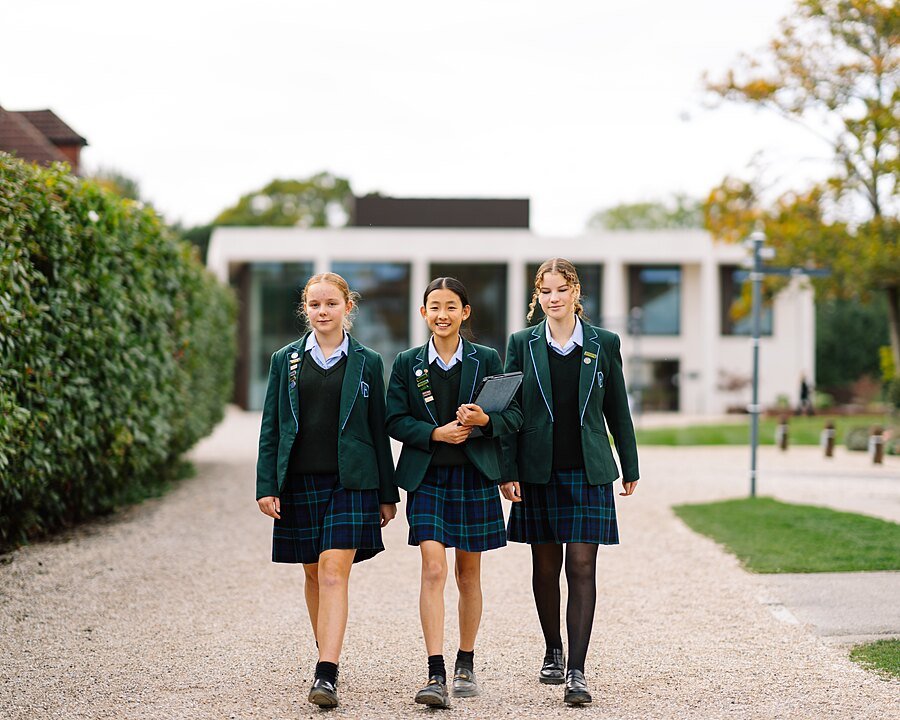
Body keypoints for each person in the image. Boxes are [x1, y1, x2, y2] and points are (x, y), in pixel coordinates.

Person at [255, 272, 398, 709]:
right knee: (313, 573)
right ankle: (327, 653)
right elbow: (272, 426)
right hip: (297, 482)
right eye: (315, 304)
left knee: (334, 569)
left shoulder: (368, 360)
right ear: (306, 308)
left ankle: (326, 674)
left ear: (347, 307)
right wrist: (267, 484)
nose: (322, 311)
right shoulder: (286, 360)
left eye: (331, 304)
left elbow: (378, 427)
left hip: (350, 482)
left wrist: (386, 493)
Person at [500, 258, 639, 706]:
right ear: (536, 296)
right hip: (537, 470)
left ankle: (577, 671)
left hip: (588, 470)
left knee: (582, 567)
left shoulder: (604, 342)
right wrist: (508, 469)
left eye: (561, 290)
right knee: (545, 568)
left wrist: (630, 464)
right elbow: (508, 409)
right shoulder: (522, 343)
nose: (553, 299)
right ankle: (552, 650)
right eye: (545, 292)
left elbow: (617, 407)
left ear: (576, 292)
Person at [386, 277, 523, 708]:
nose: (441, 314)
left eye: (450, 306)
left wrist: (484, 421)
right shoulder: (408, 363)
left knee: (468, 574)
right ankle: (435, 670)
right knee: (432, 570)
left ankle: (466, 659)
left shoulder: (487, 358)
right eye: (434, 307)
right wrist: (434, 433)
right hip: (428, 479)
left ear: (465, 313)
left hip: (476, 477)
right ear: (422, 313)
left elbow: (513, 414)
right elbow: (393, 420)